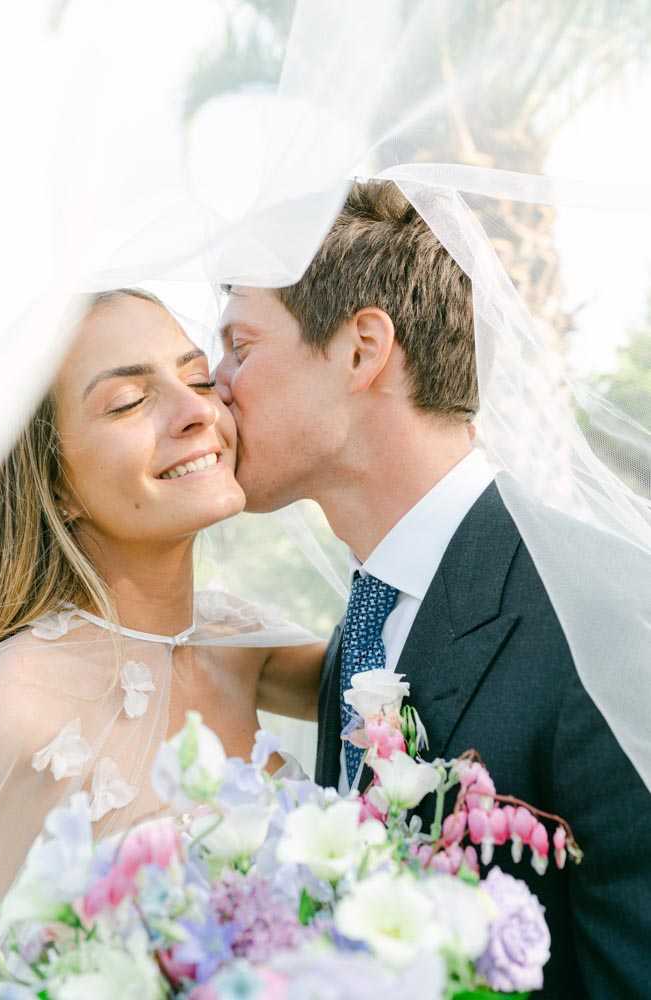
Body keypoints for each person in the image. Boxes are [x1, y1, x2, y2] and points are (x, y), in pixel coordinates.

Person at [215, 179, 651, 998]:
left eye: (240, 345)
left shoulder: (604, 611)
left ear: (362, 349)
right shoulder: (364, 625)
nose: (214, 383)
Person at [0, 287, 324, 904]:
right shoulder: (14, 708)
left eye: (198, 380)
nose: (196, 412)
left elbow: (411, 677)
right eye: (129, 402)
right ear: (53, 483)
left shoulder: (245, 642)